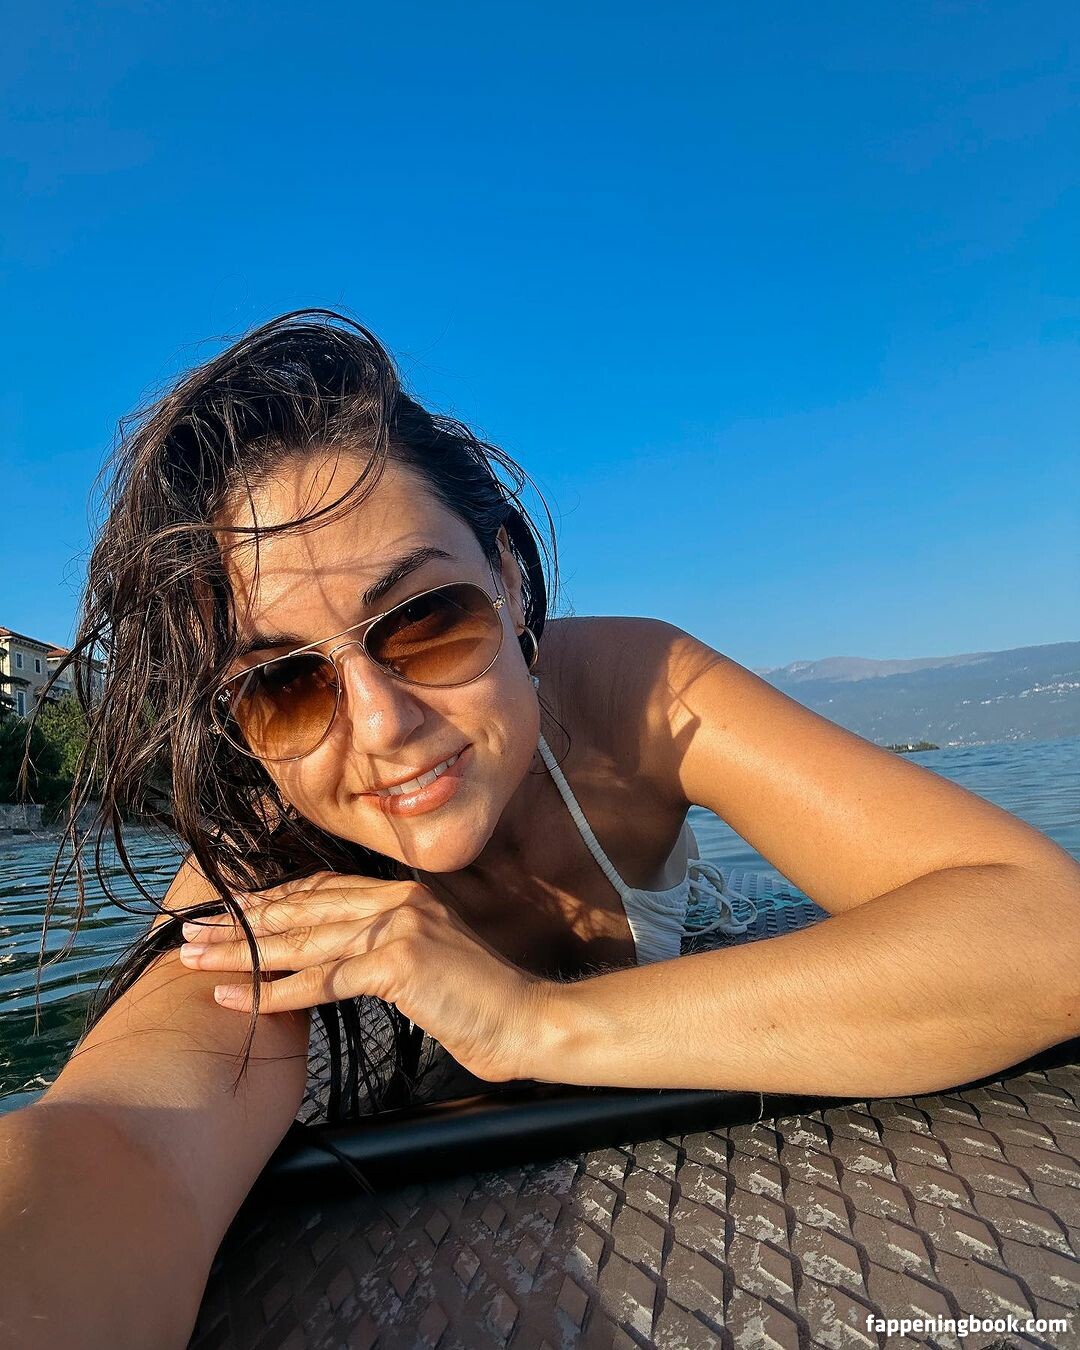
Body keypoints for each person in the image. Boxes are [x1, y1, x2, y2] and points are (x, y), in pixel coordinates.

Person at [2, 309, 1077, 1349]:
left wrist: (529, 1023)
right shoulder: (264, 854)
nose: (382, 724)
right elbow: (121, 1142)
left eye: (425, 621)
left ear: (509, 581)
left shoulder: (634, 689)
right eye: (282, 684)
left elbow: (1043, 930)